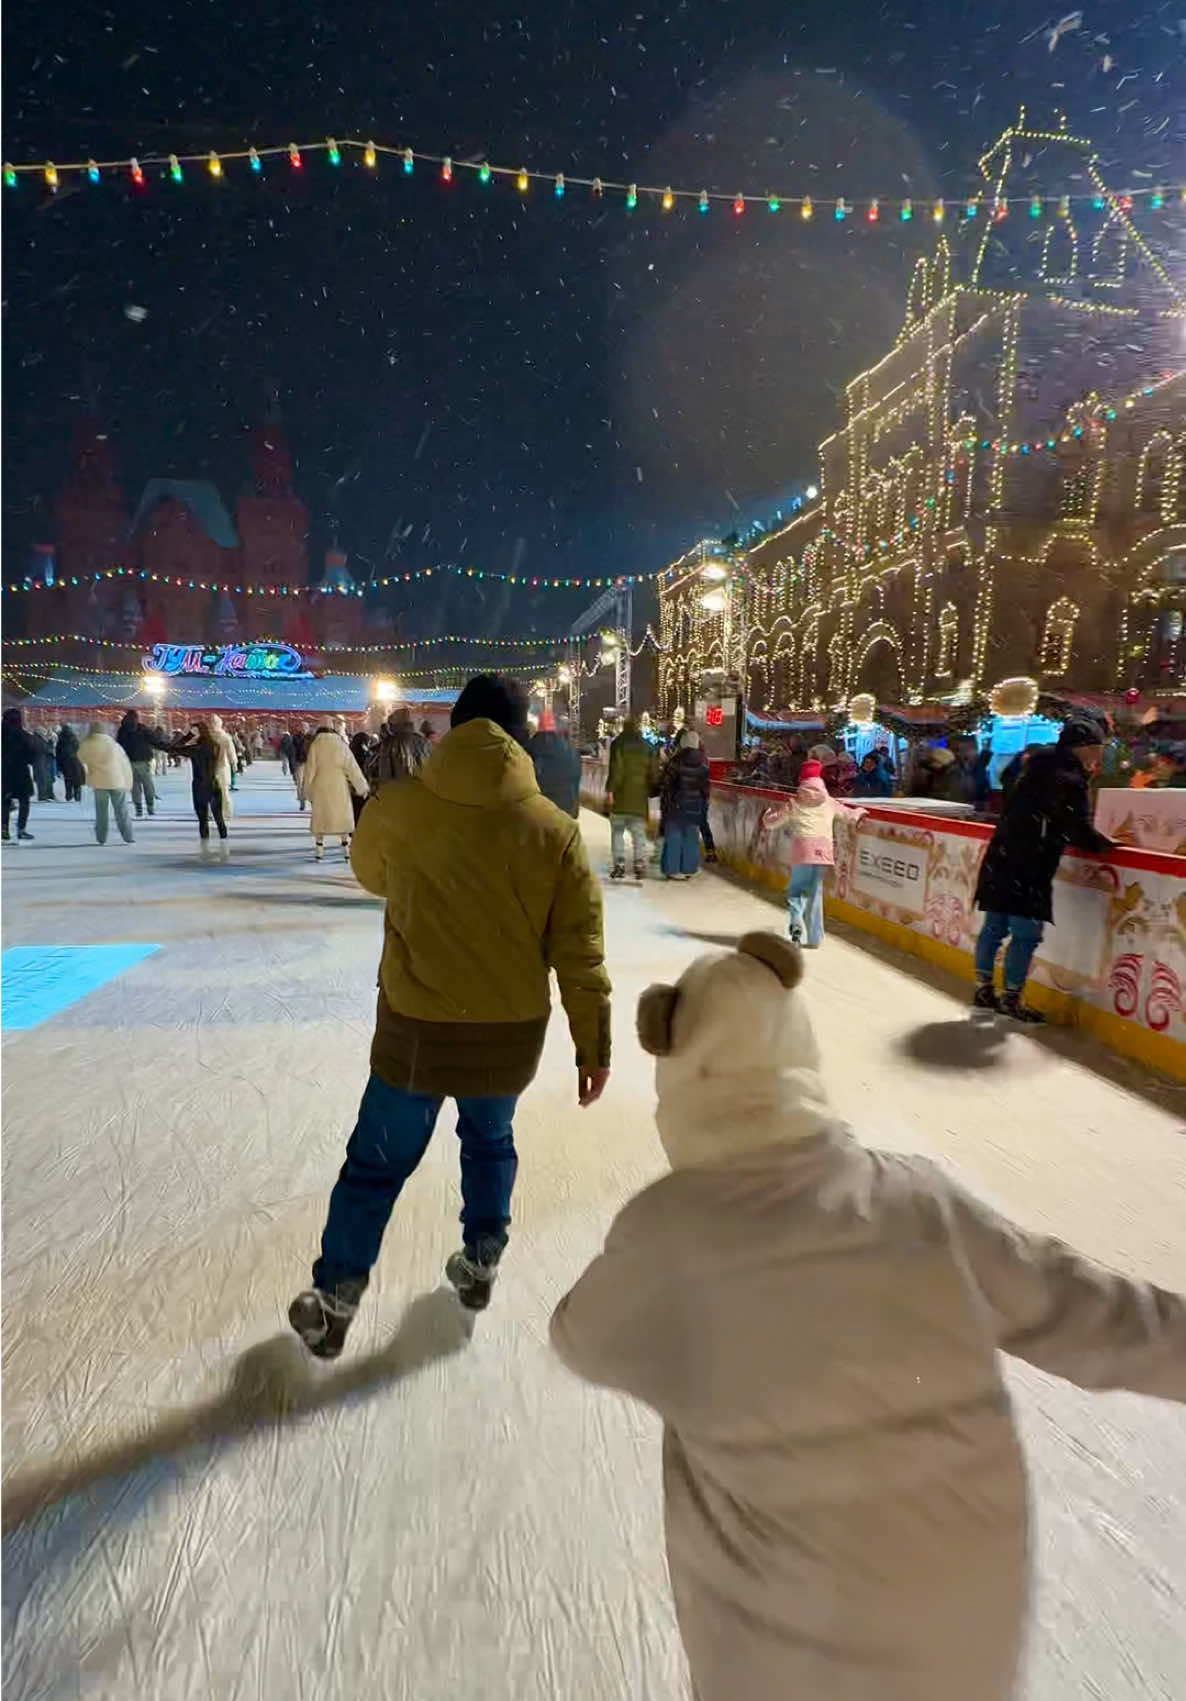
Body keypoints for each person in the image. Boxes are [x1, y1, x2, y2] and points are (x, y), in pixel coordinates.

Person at [550, 932, 1186, 1701]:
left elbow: (579, 1336)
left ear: (677, 1074)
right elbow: (1089, 1309)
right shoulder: (921, 1200)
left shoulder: (666, 1233)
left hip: (780, 1653)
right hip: (962, 1628)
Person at [289, 673, 611, 1358]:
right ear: (522, 733)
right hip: (509, 1033)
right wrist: (594, 1043)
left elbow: (371, 874)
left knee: (375, 1162)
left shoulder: (401, 806)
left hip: (417, 1030)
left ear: (454, 729)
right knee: (489, 1140)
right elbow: (578, 947)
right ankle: (482, 1254)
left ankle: (338, 1291)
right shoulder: (552, 827)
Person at [972, 714, 1113, 1022]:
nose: (1100, 753)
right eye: (1098, 747)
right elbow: (1075, 826)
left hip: (1002, 854)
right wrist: (1106, 845)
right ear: (1084, 747)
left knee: (995, 926)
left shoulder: (1031, 766)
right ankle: (1011, 996)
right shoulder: (1069, 778)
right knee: (1025, 933)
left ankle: (983, 987)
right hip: (1030, 863)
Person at [763, 759, 864, 947]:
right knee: (815, 893)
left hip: (803, 852)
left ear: (802, 779)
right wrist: (859, 811)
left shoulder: (794, 803)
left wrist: (767, 815)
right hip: (823, 853)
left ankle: (796, 925)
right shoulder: (830, 802)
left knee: (797, 890)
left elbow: (771, 823)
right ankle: (815, 937)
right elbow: (850, 816)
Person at [303, 722, 369, 859]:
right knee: (342, 816)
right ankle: (345, 846)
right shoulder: (341, 745)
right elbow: (352, 767)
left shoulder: (316, 745)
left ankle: (319, 848)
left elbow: (310, 770)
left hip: (320, 785)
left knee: (321, 817)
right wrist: (361, 786)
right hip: (339, 785)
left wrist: (307, 790)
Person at [606, 714, 659, 881]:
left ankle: (619, 863)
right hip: (639, 797)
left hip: (620, 796)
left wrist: (610, 791)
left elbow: (616, 770)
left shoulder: (617, 745)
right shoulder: (648, 747)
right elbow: (653, 773)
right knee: (638, 833)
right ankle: (639, 864)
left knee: (617, 831)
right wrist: (653, 790)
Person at [173, 721, 231, 859]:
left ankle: (205, 850)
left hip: (200, 785)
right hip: (213, 783)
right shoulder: (215, 745)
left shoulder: (195, 749)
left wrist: (186, 737)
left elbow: (174, 748)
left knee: (203, 819)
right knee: (219, 819)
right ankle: (225, 847)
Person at [659, 731, 710, 880]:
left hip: (675, 807)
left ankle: (672, 868)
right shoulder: (703, 767)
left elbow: (667, 787)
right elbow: (705, 791)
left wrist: (665, 807)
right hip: (694, 808)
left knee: (674, 837)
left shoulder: (674, 764)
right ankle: (689, 868)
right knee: (691, 838)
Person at [77, 722, 135, 846]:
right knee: (121, 810)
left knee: (101, 811)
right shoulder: (113, 745)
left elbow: (81, 758)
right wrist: (128, 783)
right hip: (117, 780)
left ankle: (101, 837)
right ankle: (128, 836)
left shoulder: (86, 744)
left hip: (98, 782)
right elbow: (124, 764)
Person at [526, 710, 582, 817]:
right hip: (565, 811)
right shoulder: (571, 751)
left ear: (538, 726)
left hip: (537, 811)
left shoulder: (526, 750)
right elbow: (575, 781)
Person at [116, 709, 171, 818]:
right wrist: (168, 748)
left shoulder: (122, 730)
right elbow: (154, 741)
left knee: (134, 786)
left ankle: (138, 808)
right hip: (143, 760)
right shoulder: (142, 728)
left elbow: (118, 746)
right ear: (136, 717)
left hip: (128, 762)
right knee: (148, 784)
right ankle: (150, 807)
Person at [367, 706, 429, 790]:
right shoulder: (424, 741)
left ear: (394, 724)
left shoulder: (388, 743)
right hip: (421, 791)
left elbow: (385, 775)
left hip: (397, 793)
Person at [2, 707, 38, 841]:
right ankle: (21, 829)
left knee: (4, 801)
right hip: (21, 772)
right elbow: (32, 756)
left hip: (4, 772)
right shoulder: (24, 736)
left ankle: (3, 828)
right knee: (24, 802)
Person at [207, 715, 238, 821]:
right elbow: (232, 754)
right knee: (222, 792)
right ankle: (224, 812)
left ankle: (218, 812)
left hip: (214, 768)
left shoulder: (209, 736)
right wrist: (234, 764)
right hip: (220, 767)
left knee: (216, 792)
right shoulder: (225, 737)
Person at [56, 722, 85, 803]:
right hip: (76, 762)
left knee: (68, 780)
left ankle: (68, 795)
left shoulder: (60, 740)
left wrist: (59, 765)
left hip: (65, 763)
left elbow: (58, 753)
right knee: (77, 780)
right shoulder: (75, 738)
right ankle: (77, 796)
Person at [30, 726, 57, 802]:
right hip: (40, 762)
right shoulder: (38, 739)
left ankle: (47, 795)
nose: (44, 733)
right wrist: (50, 745)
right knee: (42, 779)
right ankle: (43, 796)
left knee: (44, 779)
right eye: (43, 732)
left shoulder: (36, 739)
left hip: (41, 762)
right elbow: (45, 748)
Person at [291, 723, 312, 808]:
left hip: (309, 762)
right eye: (302, 727)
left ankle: (310, 799)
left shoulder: (311, 738)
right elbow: (293, 750)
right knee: (300, 782)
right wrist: (292, 765)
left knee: (309, 782)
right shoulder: (296, 737)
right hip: (299, 762)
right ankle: (301, 800)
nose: (304, 729)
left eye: (305, 727)